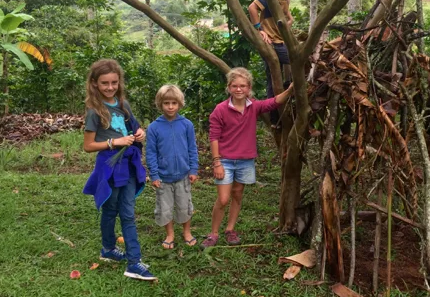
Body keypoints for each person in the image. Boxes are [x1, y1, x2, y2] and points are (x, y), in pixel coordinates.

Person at [201, 67, 294, 248]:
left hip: (245, 160)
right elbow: (214, 137)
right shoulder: (220, 110)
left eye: (243, 86)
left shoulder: (253, 106)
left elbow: (273, 102)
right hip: (225, 160)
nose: (239, 89)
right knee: (223, 199)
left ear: (249, 87)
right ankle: (213, 233)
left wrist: (290, 90)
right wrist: (216, 162)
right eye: (234, 86)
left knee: (237, 194)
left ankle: (230, 230)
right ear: (229, 87)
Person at [82, 59, 156, 281]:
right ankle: (108, 249)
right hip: (110, 165)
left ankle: (134, 262)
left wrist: (140, 133)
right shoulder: (94, 111)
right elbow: (88, 146)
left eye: (114, 82)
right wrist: (114, 142)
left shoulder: (123, 104)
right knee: (110, 209)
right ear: (95, 83)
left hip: (129, 164)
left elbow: (134, 127)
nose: (110, 87)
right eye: (105, 83)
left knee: (128, 213)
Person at [146, 84, 199, 250]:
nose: (170, 107)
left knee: (185, 206)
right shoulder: (154, 127)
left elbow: (192, 148)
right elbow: (151, 153)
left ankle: (187, 232)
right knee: (165, 208)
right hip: (163, 178)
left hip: (183, 175)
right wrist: (154, 175)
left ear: (179, 104)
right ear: (160, 104)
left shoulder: (186, 125)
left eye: (174, 103)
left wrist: (193, 169)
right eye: (166, 103)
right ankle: (170, 234)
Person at [248, 0, 295, 127]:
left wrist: (290, 19)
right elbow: (252, 8)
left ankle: (276, 118)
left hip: (278, 40)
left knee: (273, 80)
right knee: (298, 60)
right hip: (273, 43)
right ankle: (288, 92)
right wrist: (259, 29)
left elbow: (286, 13)